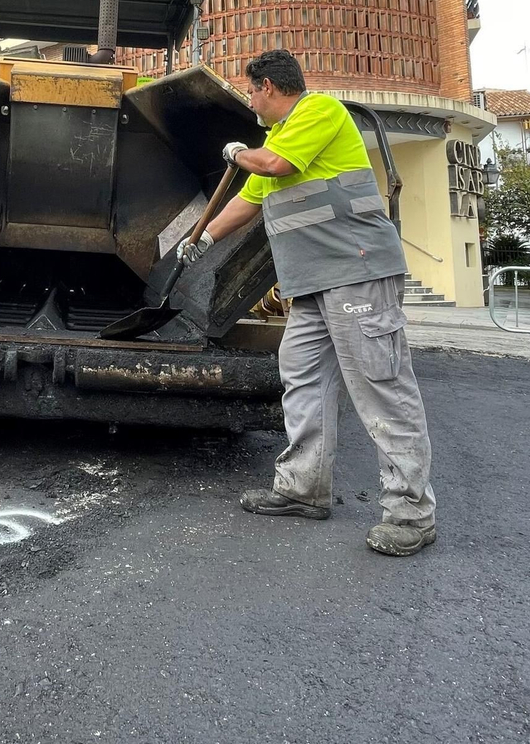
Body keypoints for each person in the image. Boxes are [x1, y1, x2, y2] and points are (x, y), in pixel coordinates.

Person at [179, 48, 437, 556]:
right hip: (312, 283)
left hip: (357, 272)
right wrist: (203, 239)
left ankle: (412, 512)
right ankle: (303, 488)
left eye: (250, 91)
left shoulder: (319, 111)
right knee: (301, 376)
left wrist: (233, 152)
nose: (250, 100)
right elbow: (248, 200)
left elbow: (270, 165)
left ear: (268, 87)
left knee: (380, 386)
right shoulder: (281, 137)